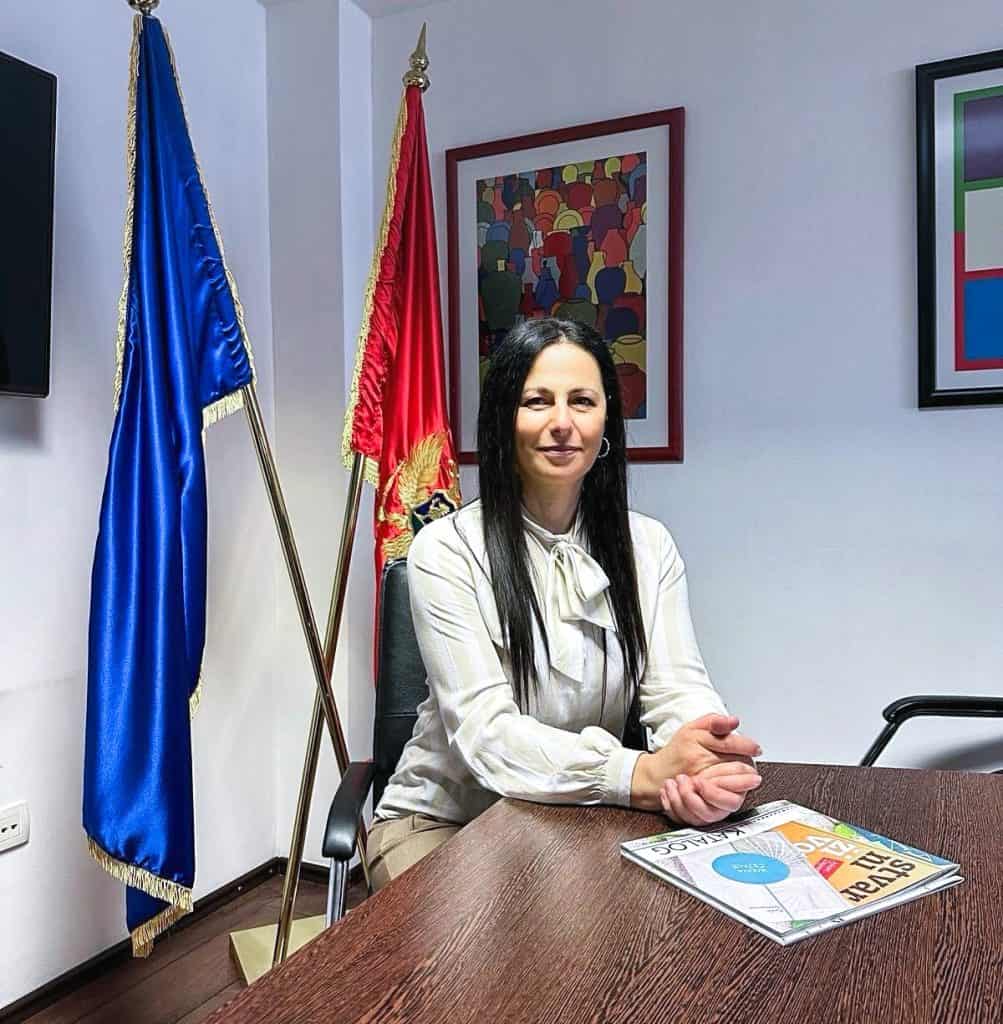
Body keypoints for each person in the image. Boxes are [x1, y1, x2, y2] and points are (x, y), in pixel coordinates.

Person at [366, 317, 762, 890]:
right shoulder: (446, 550)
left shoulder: (649, 547)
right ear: (504, 420)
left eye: (582, 401)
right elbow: (487, 736)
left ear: (606, 423)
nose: (561, 423)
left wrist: (699, 765)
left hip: (580, 816)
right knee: (489, 942)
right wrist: (639, 773)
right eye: (537, 401)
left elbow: (678, 689)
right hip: (445, 822)